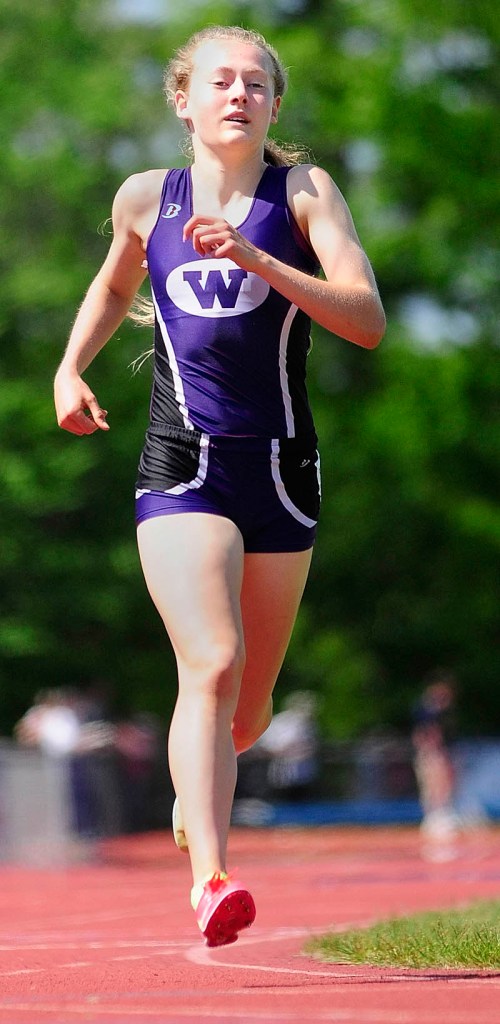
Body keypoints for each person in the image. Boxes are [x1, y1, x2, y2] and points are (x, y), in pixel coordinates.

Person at [54, 25, 385, 946]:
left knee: (249, 709)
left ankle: (196, 799)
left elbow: (367, 321)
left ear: (275, 104)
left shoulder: (305, 193)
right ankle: (211, 878)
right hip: (182, 464)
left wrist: (258, 259)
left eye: (256, 83)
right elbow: (116, 288)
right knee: (209, 660)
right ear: (183, 99)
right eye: (220, 81)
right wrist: (70, 368)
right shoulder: (143, 198)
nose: (238, 94)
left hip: (280, 468)